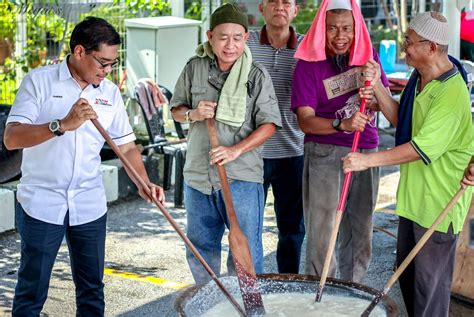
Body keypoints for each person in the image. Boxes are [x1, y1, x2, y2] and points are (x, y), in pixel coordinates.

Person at [4, 17, 164, 316]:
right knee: (32, 290)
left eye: (112, 64)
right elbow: (12, 138)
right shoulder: (39, 82)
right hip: (41, 202)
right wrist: (62, 124)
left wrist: (144, 182)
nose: (108, 71)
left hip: (89, 203)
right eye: (103, 63)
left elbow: (126, 146)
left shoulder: (110, 93)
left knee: (92, 290)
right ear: (80, 52)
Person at [343, 11, 474, 317]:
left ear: (432, 48)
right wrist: (376, 87)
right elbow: (401, 118)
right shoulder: (420, 78)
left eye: (410, 42)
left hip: (439, 205)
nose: (404, 48)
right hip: (414, 200)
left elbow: (419, 148)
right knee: (409, 278)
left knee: (429, 291)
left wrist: (366, 160)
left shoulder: (451, 93)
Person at [170, 3, 281, 284]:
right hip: (198, 175)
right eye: (222, 37)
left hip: (241, 177)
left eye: (237, 37)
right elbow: (176, 109)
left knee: (245, 253)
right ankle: (209, 304)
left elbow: (269, 125)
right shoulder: (194, 68)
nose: (230, 45)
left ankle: (245, 307)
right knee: (200, 249)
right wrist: (193, 113)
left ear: (246, 38)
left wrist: (235, 150)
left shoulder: (256, 76)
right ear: (210, 36)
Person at [291, 0, 390, 283]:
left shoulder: (369, 58)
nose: (340, 36)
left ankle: (353, 289)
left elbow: (384, 107)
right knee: (323, 229)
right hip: (324, 151)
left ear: (357, 28)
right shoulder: (309, 64)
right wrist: (341, 124)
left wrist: (374, 89)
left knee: (360, 227)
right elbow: (305, 120)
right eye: (332, 29)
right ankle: (321, 293)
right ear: (322, 29)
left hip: (365, 149)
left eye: (346, 28)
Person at [247, 0, 305, 274]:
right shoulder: (245, 45)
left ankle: (289, 283)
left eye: (287, 2)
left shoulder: (307, 49)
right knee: (247, 226)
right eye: (273, 1)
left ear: (296, 10)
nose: (279, 6)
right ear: (261, 8)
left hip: (293, 151)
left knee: (292, 228)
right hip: (251, 153)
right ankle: (245, 285)